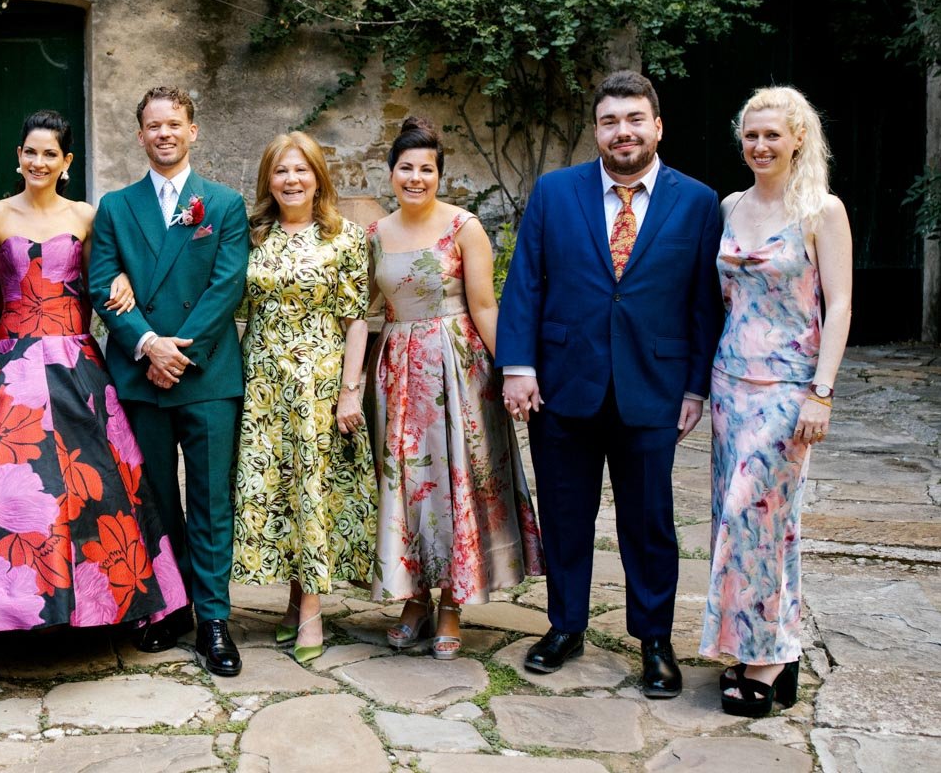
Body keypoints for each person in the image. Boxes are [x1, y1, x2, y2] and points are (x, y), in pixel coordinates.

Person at [0, 111, 188, 638]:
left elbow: (103, 280)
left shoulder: (87, 216)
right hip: (10, 364)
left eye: (50, 154)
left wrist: (123, 283)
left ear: (66, 162)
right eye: (30, 152)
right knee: (1, 488)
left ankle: (95, 608)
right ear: (18, 157)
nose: (38, 162)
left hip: (75, 364)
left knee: (90, 485)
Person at [497, 70, 723, 699]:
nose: (621, 133)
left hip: (654, 388)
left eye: (633, 120)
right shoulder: (554, 192)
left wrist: (695, 387)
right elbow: (526, 284)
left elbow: (705, 305)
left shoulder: (699, 202)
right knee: (566, 516)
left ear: (657, 126)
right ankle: (565, 626)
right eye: (609, 121)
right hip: (563, 387)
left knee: (649, 521)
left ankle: (654, 641)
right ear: (596, 130)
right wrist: (519, 366)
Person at [87, 86, 250, 678]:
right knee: (154, 501)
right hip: (139, 373)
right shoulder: (115, 206)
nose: (164, 134)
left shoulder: (225, 205)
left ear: (192, 130)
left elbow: (226, 287)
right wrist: (147, 343)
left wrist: (179, 352)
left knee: (210, 501)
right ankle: (172, 605)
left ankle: (213, 617)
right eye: (153, 125)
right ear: (140, 135)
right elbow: (102, 280)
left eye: (174, 124)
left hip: (205, 374)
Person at [367, 118, 544, 660]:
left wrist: (514, 370)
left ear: (439, 175)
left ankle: (451, 602)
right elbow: (368, 311)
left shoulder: (464, 227)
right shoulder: (376, 233)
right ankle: (414, 595)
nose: (415, 178)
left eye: (426, 169)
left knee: (455, 482)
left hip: (457, 367)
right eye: (406, 168)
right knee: (405, 482)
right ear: (392, 173)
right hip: (397, 370)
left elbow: (485, 306)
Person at [700, 87, 852, 717]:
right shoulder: (731, 205)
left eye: (773, 135)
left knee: (757, 517)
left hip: (790, 387)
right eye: (751, 135)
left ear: (797, 139)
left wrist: (822, 392)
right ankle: (764, 649)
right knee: (734, 523)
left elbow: (839, 304)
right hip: (730, 382)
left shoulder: (821, 209)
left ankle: (766, 657)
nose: (760, 146)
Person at [232, 131, 376, 665]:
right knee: (278, 486)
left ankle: (313, 608)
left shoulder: (344, 237)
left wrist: (349, 391)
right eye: (280, 172)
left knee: (314, 487)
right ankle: (294, 601)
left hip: (318, 379)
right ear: (268, 180)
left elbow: (356, 319)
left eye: (301, 171)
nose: (291, 180)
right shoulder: (253, 236)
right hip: (264, 379)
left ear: (318, 177)